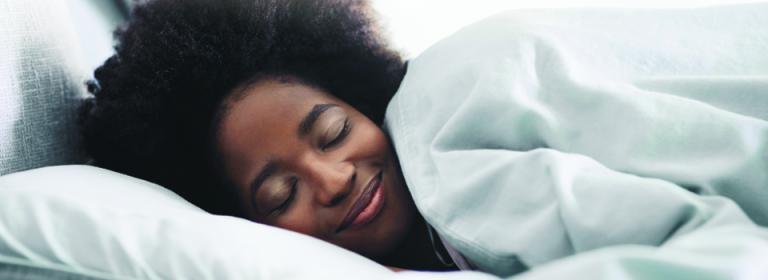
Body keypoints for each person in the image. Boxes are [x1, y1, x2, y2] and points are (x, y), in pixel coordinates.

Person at [79, 0, 768, 276]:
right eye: (280, 192)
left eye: (333, 131)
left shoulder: (446, 151)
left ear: (366, 98)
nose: (334, 178)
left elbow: (728, 255)